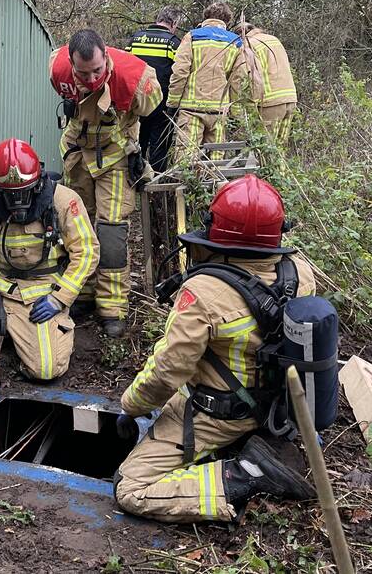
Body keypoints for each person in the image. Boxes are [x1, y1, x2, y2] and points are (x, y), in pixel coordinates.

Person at [114, 175, 316, 523]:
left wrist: (132, 405)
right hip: (277, 408)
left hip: (219, 415)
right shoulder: (300, 271)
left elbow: (169, 370)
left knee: (131, 488)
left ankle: (244, 474)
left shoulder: (203, 293)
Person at [0, 139, 99, 380]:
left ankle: (30, 339)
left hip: (41, 298)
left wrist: (59, 299)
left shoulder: (63, 201)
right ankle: (6, 334)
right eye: (8, 195)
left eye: (22, 193)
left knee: (46, 370)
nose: (17, 202)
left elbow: (87, 252)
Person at [49, 29, 161, 337]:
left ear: (106, 57)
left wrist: (138, 149)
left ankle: (112, 306)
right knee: (77, 225)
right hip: (77, 152)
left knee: (110, 229)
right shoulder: (57, 67)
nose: (91, 78)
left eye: (98, 70)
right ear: (72, 65)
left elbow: (150, 112)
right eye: (83, 73)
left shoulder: (134, 78)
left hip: (114, 155)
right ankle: (82, 292)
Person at [166, 2, 241, 163]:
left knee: (186, 158)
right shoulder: (235, 42)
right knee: (216, 160)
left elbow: (180, 72)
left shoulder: (193, 36)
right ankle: (214, 187)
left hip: (192, 108)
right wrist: (235, 111)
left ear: (205, 17)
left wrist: (172, 102)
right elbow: (237, 80)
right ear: (227, 21)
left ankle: (187, 187)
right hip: (219, 110)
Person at [126, 6, 183, 172]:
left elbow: (124, 68)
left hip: (137, 103)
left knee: (137, 142)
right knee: (159, 146)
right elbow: (179, 73)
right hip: (162, 105)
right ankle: (156, 187)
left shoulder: (135, 39)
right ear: (173, 23)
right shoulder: (173, 43)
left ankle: (136, 180)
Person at [231, 22, 298, 144]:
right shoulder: (274, 40)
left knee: (267, 150)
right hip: (290, 99)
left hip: (270, 104)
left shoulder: (249, 46)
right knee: (280, 148)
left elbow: (247, 78)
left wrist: (245, 110)